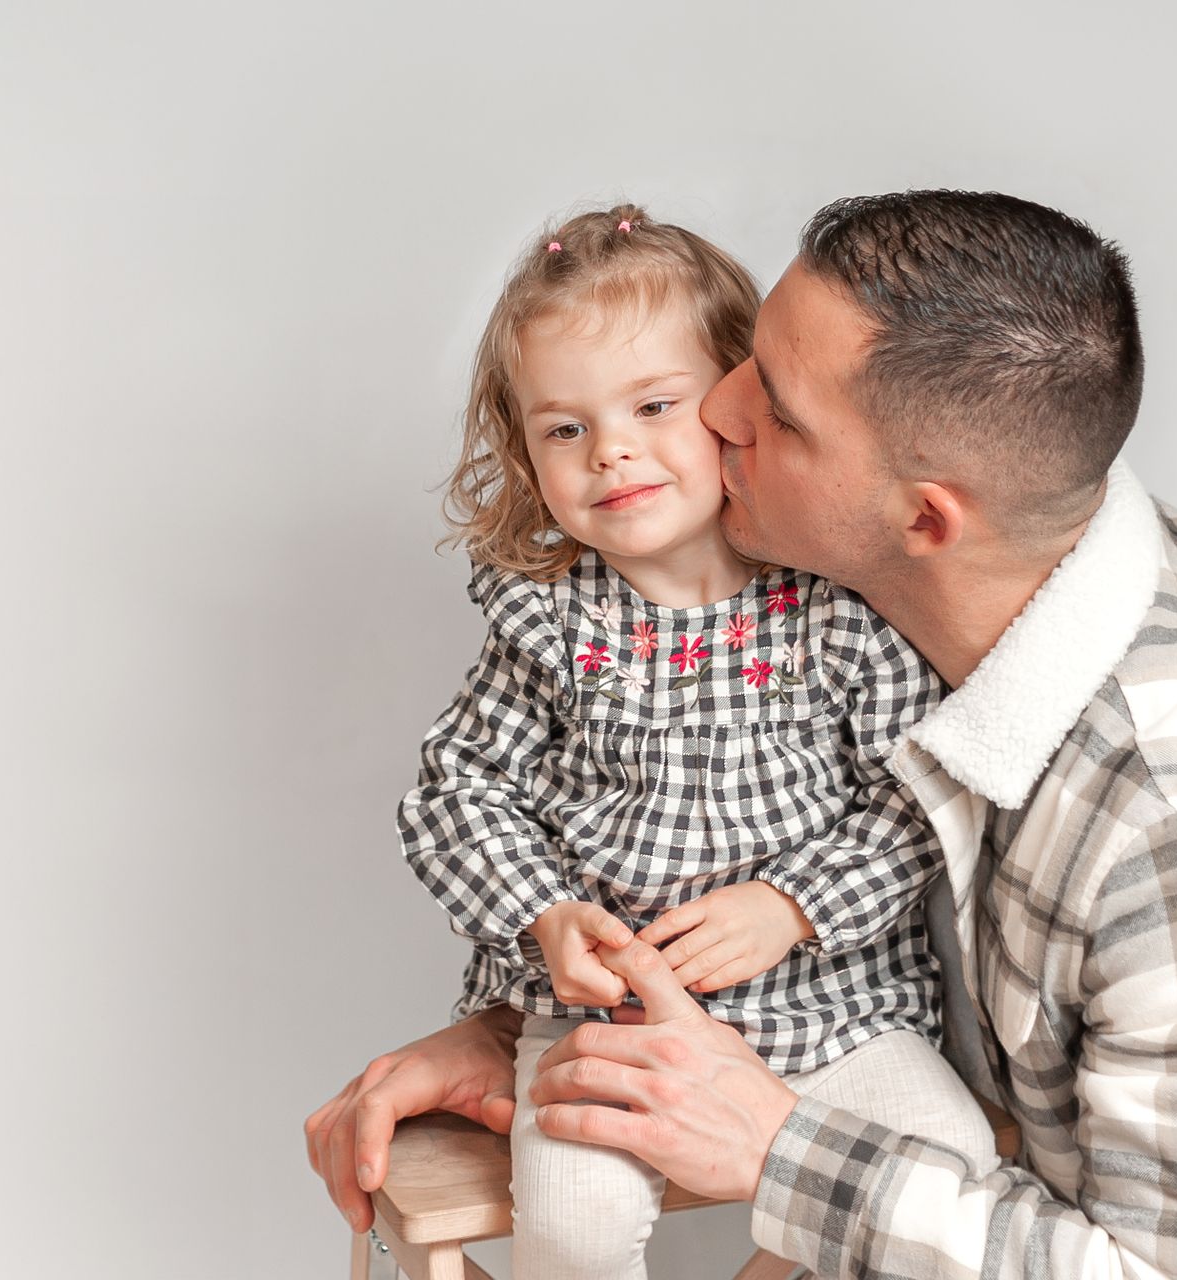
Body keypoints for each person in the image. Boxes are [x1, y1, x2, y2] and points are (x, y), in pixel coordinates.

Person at [308, 191, 1177, 1278]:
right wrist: (515, 1013)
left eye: (770, 407)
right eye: (745, 362)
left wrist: (773, 1148)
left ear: (926, 517)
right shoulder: (1020, 567)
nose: (710, 418)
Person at [376, 203, 997, 1279]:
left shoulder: (835, 606)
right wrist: (543, 915)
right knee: (569, 1229)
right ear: (527, 452)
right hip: (613, 1019)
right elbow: (456, 789)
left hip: (832, 998)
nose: (610, 449)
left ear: (735, 400)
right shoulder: (551, 622)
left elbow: (921, 793)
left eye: (653, 405)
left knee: (947, 1162)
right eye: (564, 428)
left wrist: (793, 904)